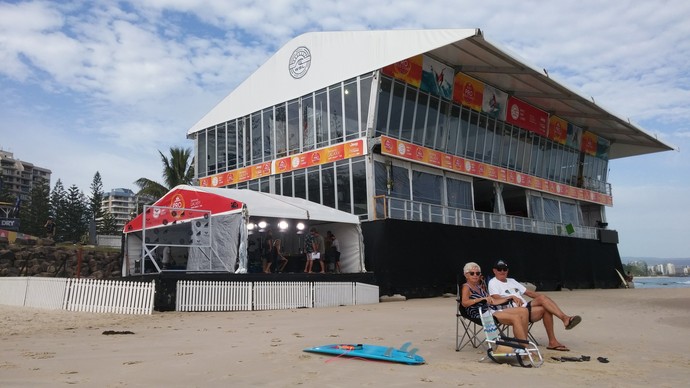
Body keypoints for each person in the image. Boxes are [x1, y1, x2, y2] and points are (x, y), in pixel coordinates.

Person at [488, 259, 582, 351]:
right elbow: (496, 298)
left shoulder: (512, 281)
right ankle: (565, 319)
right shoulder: (493, 282)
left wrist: (546, 299)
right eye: (499, 269)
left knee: (545, 304)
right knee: (544, 303)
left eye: (504, 269)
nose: (502, 271)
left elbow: (529, 293)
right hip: (510, 311)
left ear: (507, 270)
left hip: (524, 307)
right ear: (494, 270)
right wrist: (511, 297)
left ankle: (553, 342)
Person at [460, 262, 530, 341]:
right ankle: (523, 346)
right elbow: (464, 303)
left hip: (491, 310)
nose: (475, 275)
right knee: (515, 317)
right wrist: (480, 299)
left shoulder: (479, 287)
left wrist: (510, 297)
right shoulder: (466, 287)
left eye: (477, 273)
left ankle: (524, 340)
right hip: (481, 314)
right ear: (466, 275)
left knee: (524, 310)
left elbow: (492, 301)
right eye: (472, 273)